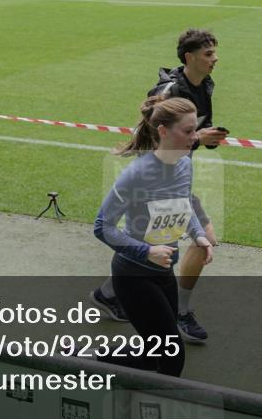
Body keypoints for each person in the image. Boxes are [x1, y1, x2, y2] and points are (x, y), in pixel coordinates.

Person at [91, 29, 226, 344]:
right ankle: (181, 312)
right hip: (158, 177)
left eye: (215, 52)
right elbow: (154, 135)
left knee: (155, 239)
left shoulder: (205, 84)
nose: (215, 59)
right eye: (208, 54)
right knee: (196, 237)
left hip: (179, 172)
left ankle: (108, 294)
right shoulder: (168, 92)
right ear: (189, 57)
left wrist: (202, 138)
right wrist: (197, 138)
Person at [94, 95, 214, 377]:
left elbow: (183, 204)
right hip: (132, 275)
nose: (194, 137)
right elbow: (102, 226)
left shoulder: (185, 165)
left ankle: (84, 359)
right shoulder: (136, 174)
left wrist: (198, 235)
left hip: (163, 272)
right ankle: (158, 414)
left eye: (195, 129)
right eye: (187, 131)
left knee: (152, 354)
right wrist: (146, 251)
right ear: (163, 131)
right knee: (172, 358)